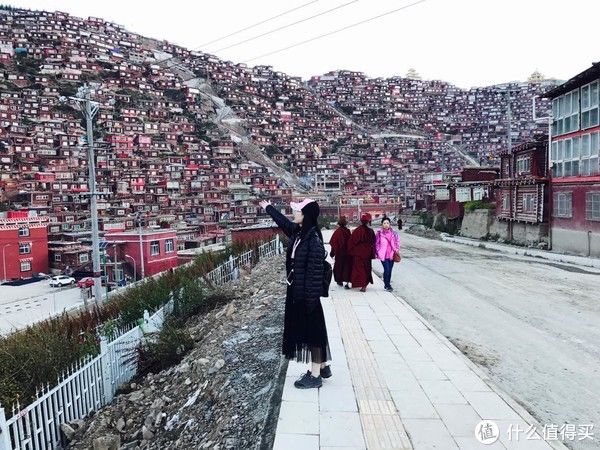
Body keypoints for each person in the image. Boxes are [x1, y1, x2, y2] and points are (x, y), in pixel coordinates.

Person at [259, 198, 332, 389]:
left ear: (306, 215)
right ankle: (322, 366)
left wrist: (308, 301)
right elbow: (283, 223)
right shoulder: (300, 233)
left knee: (313, 334)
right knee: (314, 332)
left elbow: (314, 275)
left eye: (298, 211)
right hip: (298, 291)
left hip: (307, 296)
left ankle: (316, 376)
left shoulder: (313, 241)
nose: (295, 213)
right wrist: (268, 208)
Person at [348, 213, 375, 292]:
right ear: (368, 221)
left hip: (359, 253)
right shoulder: (371, 231)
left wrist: (351, 250)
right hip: (368, 253)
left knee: (359, 269)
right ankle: (364, 285)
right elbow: (373, 241)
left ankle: (362, 284)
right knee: (367, 268)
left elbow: (352, 241)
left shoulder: (358, 230)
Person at [375, 216, 401, 291]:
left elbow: (397, 242)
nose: (386, 224)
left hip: (391, 254)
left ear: (390, 224)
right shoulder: (379, 234)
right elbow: (376, 243)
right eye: (384, 223)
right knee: (386, 269)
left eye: (387, 223)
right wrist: (378, 251)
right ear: (382, 224)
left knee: (390, 270)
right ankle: (387, 285)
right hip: (383, 255)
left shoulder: (394, 233)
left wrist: (396, 249)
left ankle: (387, 283)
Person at [329, 216, 352, 289]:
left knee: (339, 267)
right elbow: (351, 242)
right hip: (347, 253)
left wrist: (332, 252)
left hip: (339, 253)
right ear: (345, 223)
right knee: (346, 267)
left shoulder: (337, 232)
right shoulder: (348, 231)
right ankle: (346, 280)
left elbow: (334, 243)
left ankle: (339, 280)